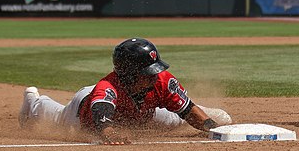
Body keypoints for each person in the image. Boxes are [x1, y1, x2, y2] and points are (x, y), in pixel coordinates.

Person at [19, 38, 231, 144]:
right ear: (129, 74)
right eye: (147, 72)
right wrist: (111, 133)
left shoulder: (161, 80)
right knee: (54, 115)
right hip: (82, 111)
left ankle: (206, 114)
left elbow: (187, 112)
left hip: (141, 113)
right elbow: (102, 120)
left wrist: (210, 127)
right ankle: (34, 101)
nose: (155, 75)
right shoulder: (106, 88)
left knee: (176, 119)